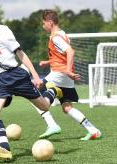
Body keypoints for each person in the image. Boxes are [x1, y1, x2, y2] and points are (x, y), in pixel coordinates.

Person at [0, 1, 63, 161]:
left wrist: (35, 76)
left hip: (15, 76)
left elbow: (20, 54)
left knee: (44, 106)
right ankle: (5, 149)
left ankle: (53, 91)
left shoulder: (3, 31)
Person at [34, 9, 101, 141]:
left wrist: (69, 70)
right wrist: (48, 62)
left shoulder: (56, 37)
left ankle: (51, 124)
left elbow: (70, 51)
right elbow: (63, 55)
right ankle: (93, 130)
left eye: (44, 23)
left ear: (50, 22)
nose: (43, 26)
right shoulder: (63, 34)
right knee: (67, 107)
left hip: (60, 73)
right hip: (65, 76)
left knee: (35, 93)